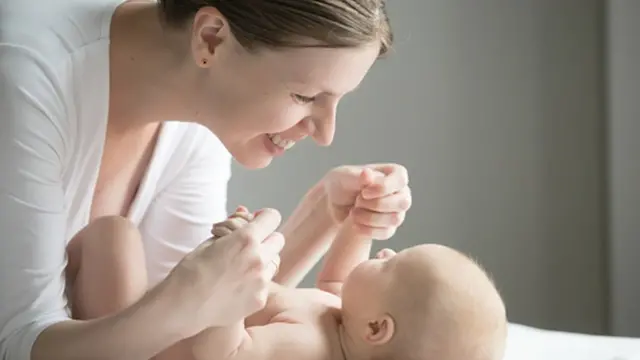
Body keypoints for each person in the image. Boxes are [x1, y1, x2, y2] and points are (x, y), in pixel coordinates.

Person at [0, 0, 412, 359]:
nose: (326, 135)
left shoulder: (200, 120)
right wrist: (182, 302)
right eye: (305, 97)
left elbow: (193, 335)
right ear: (211, 38)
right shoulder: (27, 81)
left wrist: (325, 211)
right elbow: (19, 344)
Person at [76, 195, 506, 360]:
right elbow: (336, 285)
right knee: (115, 242)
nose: (388, 251)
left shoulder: (304, 347)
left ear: (378, 327)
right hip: (160, 325)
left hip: (135, 350)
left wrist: (233, 293)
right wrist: (359, 227)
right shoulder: (344, 323)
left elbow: (222, 357)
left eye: (391, 262)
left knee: (113, 236)